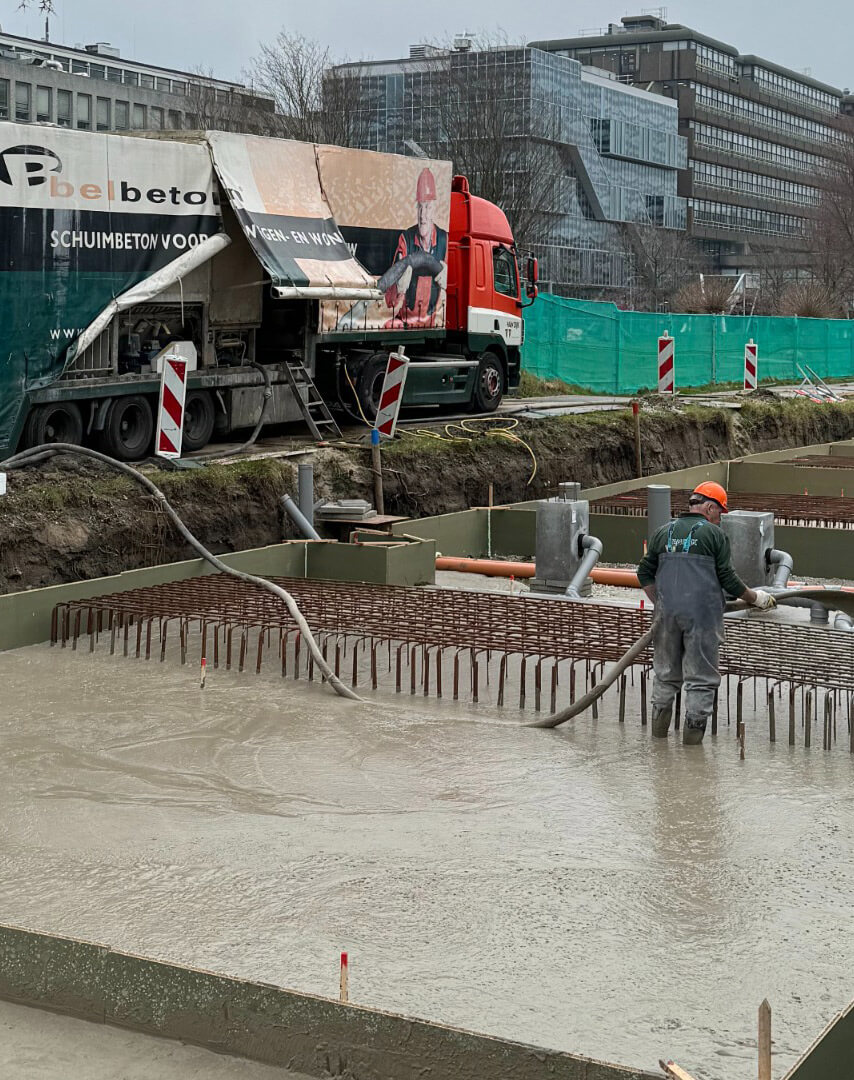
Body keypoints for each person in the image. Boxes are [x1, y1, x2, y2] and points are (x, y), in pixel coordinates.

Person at [636, 482, 776, 746]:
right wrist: (756, 598)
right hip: (702, 618)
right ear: (710, 507)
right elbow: (728, 580)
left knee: (665, 675)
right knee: (700, 680)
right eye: (720, 512)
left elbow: (643, 573)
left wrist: (663, 603)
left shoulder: (662, 532)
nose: (720, 518)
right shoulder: (714, 535)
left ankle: (658, 743)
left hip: (665, 617)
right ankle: (692, 751)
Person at [383, 167, 448, 328]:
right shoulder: (406, 239)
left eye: (427, 207)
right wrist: (398, 287)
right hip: (405, 323)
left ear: (435, 209)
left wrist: (447, 282)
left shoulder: (444, 240)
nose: (422, 214)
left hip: (432, 325)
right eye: (420, 206)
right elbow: (388, 300)